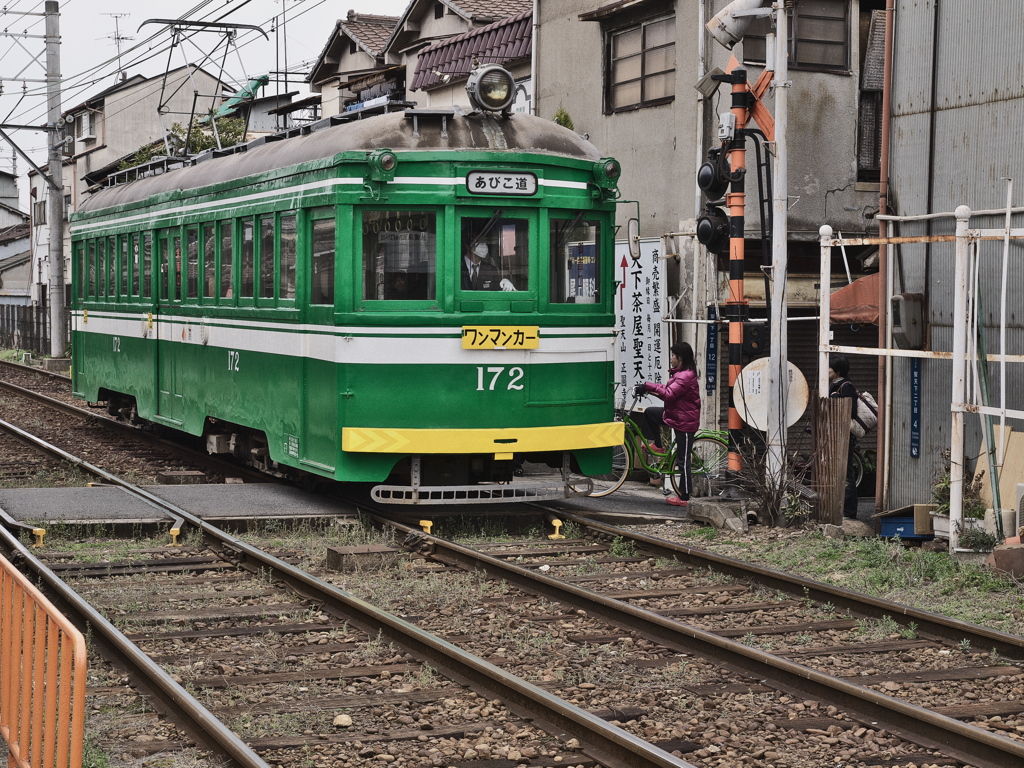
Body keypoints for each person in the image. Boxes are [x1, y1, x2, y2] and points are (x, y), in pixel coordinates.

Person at [635, 342, 701, 507]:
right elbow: (665, 389)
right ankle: (658, 445)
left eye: (673, 355)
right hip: (675, 416)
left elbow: (669, 395)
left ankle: (684, 497)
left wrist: (649, 386)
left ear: (681, 357)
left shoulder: (686, 376)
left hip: (685, 422)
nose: (671, 358)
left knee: (682, 460)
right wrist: (647, 387)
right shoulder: (679, 374)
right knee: (650, 412)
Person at [828, 353, 859, 519]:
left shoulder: (846, 386)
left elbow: (851, 411)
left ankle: (849, 512)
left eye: (830, 368)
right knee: (840, 473)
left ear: (838, 371)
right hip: (838, 434)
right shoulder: (834, 385)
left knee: (847, 475)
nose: (827, 371)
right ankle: (842, 510)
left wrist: (836, 398)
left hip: (845, 436)